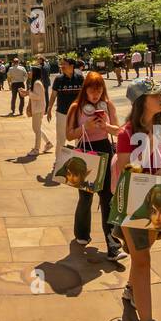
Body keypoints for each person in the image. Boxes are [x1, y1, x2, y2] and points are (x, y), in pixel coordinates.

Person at [113, 78, 161, 321]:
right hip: (135, 203)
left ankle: (131, 289)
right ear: (142, 101)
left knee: (143, 253)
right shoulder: (126, 134)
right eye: (157, 95)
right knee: (143, 261)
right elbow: (124, 171)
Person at [65, 71, 122, 257]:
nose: (96, 94)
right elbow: (69, 134)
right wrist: (85, 127)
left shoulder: (108, 105)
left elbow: (119, 130)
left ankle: (112, 243)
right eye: (92, 90)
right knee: (86, 197)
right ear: (86, 90)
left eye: (99, 90)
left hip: (105, 149)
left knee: (107, 196)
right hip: (84, 152)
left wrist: (105, 126)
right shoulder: (76, 107)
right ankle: (81, 233)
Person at [50, 56, 83, 152]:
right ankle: (58, 161)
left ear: (71, 66)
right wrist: (49, 109)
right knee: (61, 138)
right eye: (61, 64)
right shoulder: (58, 79)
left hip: (77, 113)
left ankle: (79, 158)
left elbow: (84, 95)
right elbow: (53, 95)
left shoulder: (80, 78)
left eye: (64, 64)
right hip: (62, 113)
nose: (62, 66)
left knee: (79, 138)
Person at [25, 65, 53, 155]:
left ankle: (37, 149)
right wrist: (27, 92)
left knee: (36, 129)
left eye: (30, 71)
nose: (29, 72)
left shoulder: (37, 83)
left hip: (38, 109)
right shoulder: (36, 82)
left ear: (34, 73)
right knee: (37, 128)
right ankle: (48, 143)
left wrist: (28, 93)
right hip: (37, 108)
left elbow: (38, 96)